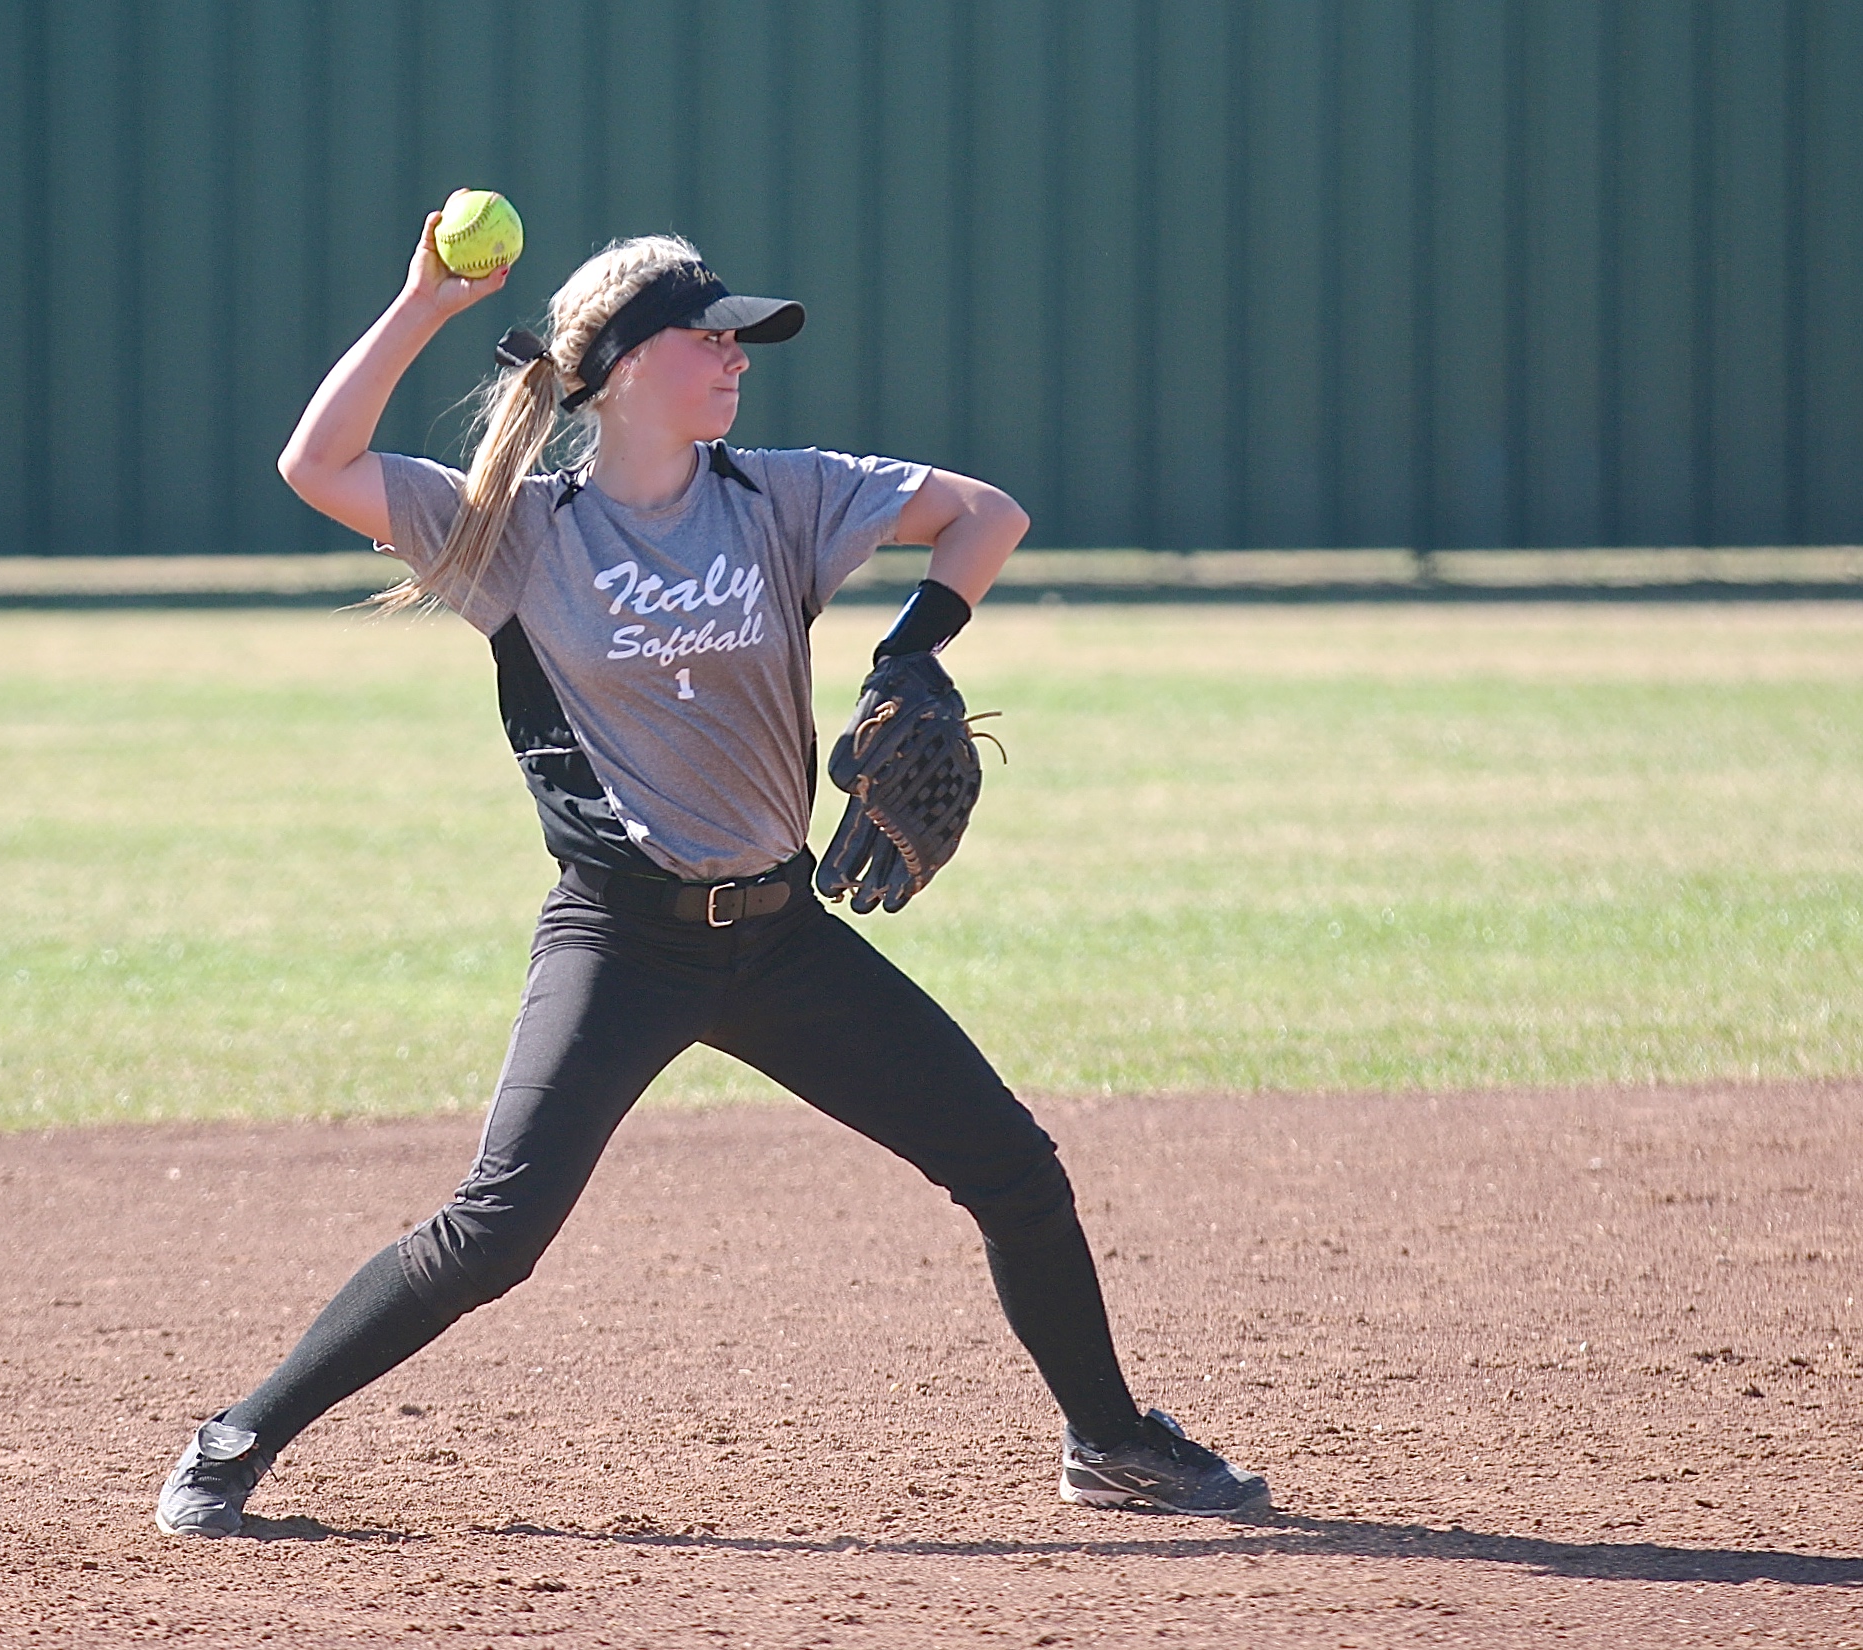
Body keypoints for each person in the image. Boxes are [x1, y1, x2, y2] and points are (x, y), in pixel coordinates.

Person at [154, 206, 1268, 1536]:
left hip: (783, 937)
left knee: (1014, 1170)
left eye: (743, 342)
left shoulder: (779, 495)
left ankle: (1109, 1439)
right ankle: (233, 1438)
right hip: (621, 942)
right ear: (626, 366)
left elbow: (986, 514)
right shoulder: (521, 532)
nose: (739, 359)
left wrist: (913, 651)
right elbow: (317, 463)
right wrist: (425, 306)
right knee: (494, 1233)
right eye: (712, 339)